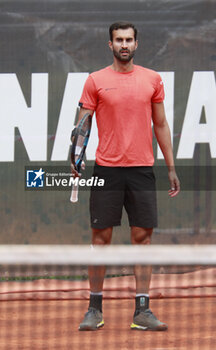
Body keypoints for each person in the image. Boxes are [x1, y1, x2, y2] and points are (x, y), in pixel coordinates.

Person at [72, 21, 180, 331]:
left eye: (129, 39)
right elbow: (82, 127)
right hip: (106, 170)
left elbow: (160, 125)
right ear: (110, 44)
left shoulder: (152, 80)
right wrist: (76, 158)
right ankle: (94, 309)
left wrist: (170, 166)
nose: (124, 44)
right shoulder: (95, 81)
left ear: (136, 44)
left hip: (142, 170)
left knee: (142, 240)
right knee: (100, 240)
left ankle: (142, 311)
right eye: (118, 39)